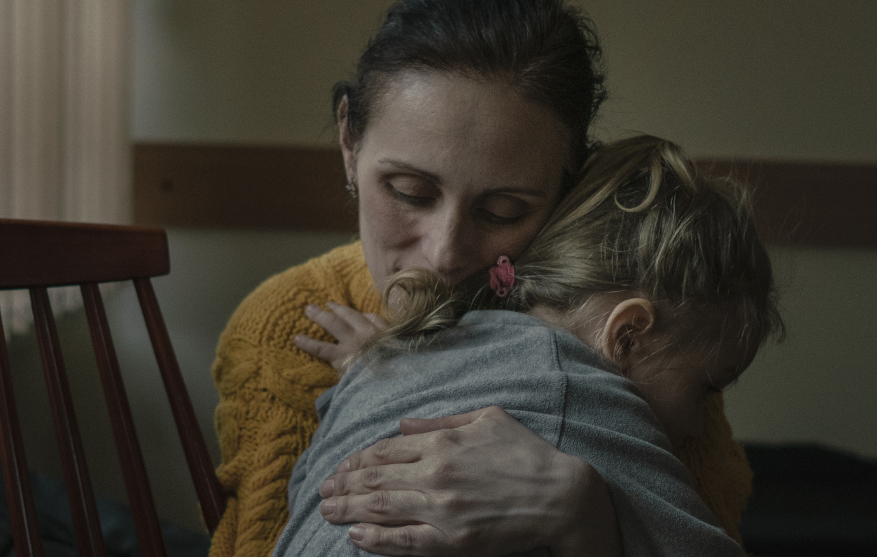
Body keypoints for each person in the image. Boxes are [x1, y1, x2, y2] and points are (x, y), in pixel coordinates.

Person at [212, 0, 756, 557]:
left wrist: (592, 525)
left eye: (502, 211)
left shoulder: (643, 335)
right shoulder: (291, 326)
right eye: (410, 192)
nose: (445, 252)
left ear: (568, 191)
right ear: (350, 143)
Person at [272, 135, 781, 557]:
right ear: (627, 334)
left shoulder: (398, 358)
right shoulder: (585, 400)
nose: (700, 422)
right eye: (705, 388)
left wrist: (373, 366)